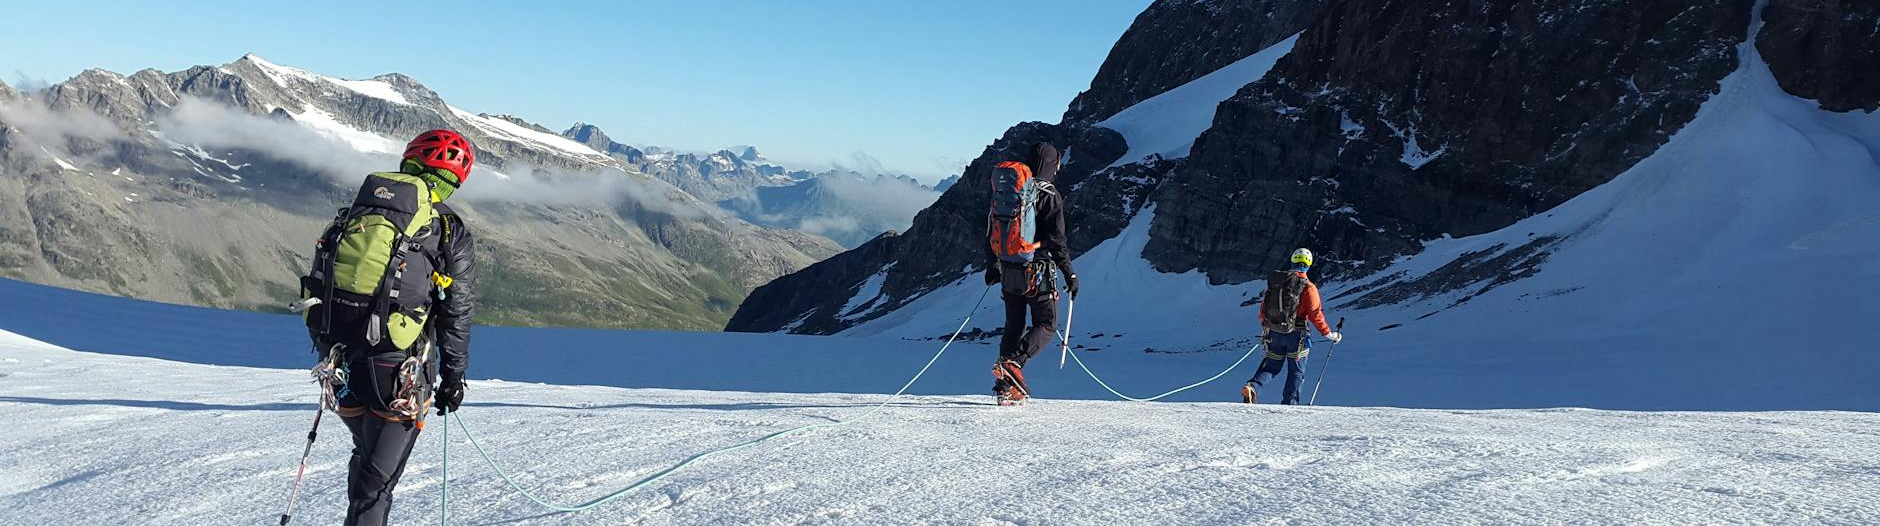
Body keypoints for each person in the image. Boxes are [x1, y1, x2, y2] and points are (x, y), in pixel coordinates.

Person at [313, 130, 478, 526]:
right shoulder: (448, 231)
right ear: (454, 180)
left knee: (366, 459)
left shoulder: (356, 213)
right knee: (377, 486)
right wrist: (453, 379)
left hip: (340, 363)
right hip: (398, 373)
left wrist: (327, 347)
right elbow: (456, 311)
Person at [984, 141, 1078, 405]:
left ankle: (1006, 387)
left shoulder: (1008, 191)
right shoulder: (1049, 193)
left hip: (1009, 268)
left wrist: (992, 265)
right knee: (1047, 323)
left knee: (1014, 325)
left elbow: (992, 228)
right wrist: (1069, 274)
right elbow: (1057, 241)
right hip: (1038, 272)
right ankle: (1015, 364)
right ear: (1051, 164)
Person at [1241, 248, 1340, 405]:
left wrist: (1266, 326)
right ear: (1308, 265)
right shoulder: (1308, 287)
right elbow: (1315, 314)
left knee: (1272, 366)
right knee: (1296, 371)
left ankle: (1253, 387)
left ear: (1293, 261)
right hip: (1297, 336)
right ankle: (1290, 404)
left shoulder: (1278, 282)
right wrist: (1329, 334)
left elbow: (1264, 307)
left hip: (1274, 332)